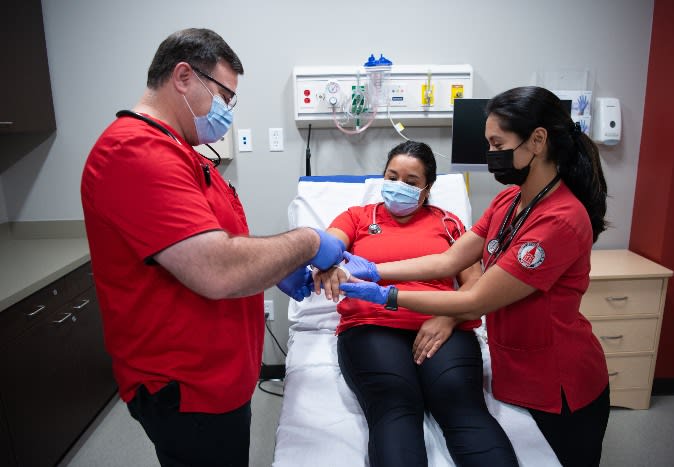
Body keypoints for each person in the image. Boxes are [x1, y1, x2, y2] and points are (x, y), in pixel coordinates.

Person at [80, 28, 344, 467]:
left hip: (216, 379)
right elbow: (217, 269)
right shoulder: (134, 152)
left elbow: (215, 244)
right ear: (183, 76)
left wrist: (273, 268)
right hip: (186, 389)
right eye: (223, 96)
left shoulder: (183, 154)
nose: (226, 112)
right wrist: (309, 241)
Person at [323, 87, 611, 467]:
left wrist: (387, 294)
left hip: (560, 381)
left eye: (497, 143)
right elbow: (448, 261)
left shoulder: (558, 220)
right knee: (395, 408)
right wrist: (371, 271)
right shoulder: (509, 202)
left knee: (482, 422)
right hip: (516, 366)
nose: (490, 154)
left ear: (537, 140)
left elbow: (474, 299)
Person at [313, 141, 518, 467]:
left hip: (443, 325)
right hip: (372, 325)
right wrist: (315, 256)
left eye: (410, 182)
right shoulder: (358, 217)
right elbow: (329, 245)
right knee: (395, 404)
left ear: (427, 188)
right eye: (391, 177)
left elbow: (475, 284)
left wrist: (448, 316)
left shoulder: (449, 224)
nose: (398, 187)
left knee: (461, 404)